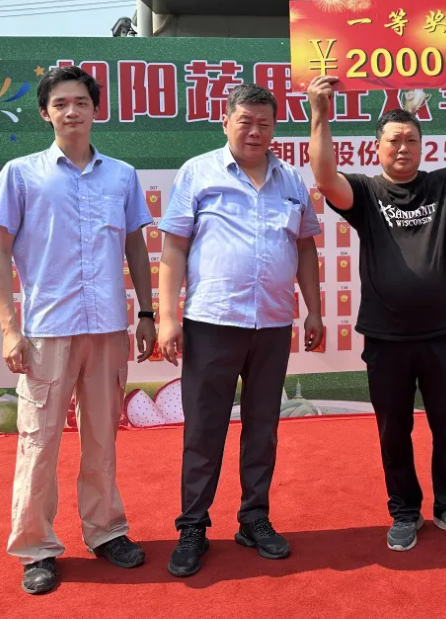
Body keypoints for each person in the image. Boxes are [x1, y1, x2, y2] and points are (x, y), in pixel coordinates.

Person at [307, 68, 446, 552]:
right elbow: (324, 177)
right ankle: (405, 511)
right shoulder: (365, 193)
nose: (402, 148)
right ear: (376, 148)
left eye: (411, 140)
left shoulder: (444, 186)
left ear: (423, 146)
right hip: (385, 338)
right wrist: (320, 115)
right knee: (393, 432)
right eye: (393, 141)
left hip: (442, 334)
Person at [0, 66, 156, 595]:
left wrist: (146, 312)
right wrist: (9, 328)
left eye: (81, 102)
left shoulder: (121, 176)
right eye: (61, 103)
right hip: (46, 330)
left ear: (95, 110)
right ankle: (35, 547)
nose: (72, 111)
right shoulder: (21, 174)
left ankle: (106, 530)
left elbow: (135, 246)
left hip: (108, 326)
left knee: (102, 440)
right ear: (45, 113)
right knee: (38, 441)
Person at [158, 84, 323, 578]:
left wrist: (314, 310)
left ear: (274, 128)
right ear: (226, 122)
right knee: (204, 429)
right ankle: (193, 526)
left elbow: (306, 248)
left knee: (262, 427)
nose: (254, 131)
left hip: (272, 323)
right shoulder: (198, 172)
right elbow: (174, 248)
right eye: (245, 121)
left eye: (264, 123)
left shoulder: (291, 180)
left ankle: (254, 518)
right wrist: (167, 317)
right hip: (212, 321)